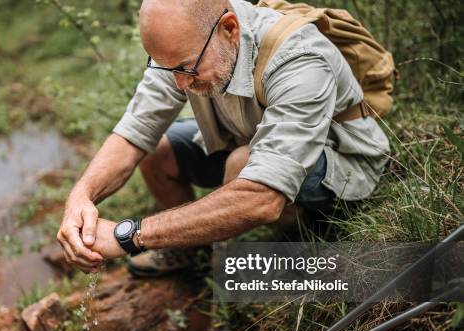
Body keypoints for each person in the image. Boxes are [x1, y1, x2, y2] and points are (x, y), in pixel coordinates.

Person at [56, 0, 390, 277]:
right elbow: (133, 133)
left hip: (342, 165)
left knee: (242, 164)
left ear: (229, 29)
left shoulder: (299, 58)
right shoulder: (187, 51)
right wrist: (80, 197)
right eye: (166, 69)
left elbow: (262, 197)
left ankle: (237, 262)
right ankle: (188, 250)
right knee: (159, 151)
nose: (178, 85)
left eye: (186, 69)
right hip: (251, 143)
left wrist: (130, 236)